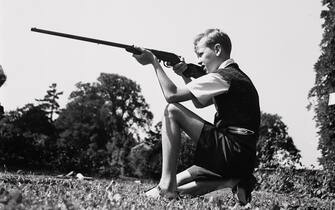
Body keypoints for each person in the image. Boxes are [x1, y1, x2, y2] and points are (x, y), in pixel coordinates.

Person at [132, 28, 260, 206]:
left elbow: (172, 95)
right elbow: (200, 103)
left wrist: (154, 62)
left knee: (172, 110)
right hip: (242, 157)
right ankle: (234, 182)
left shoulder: (222, 77)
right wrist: (185, 74)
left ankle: (166, 185)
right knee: (180, 180)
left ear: (217, 50)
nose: (199, 61)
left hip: (230, 150)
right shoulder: (236, 76)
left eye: (201, 54)